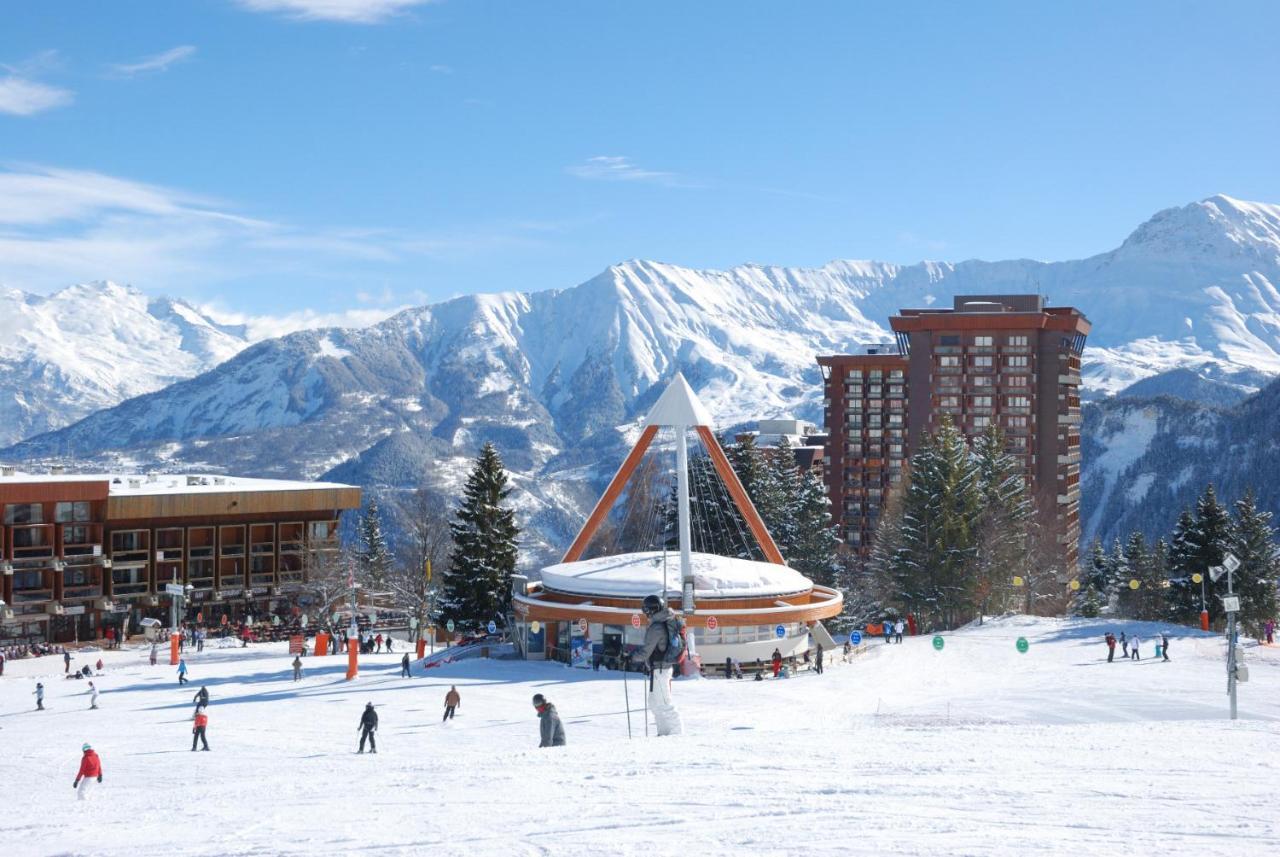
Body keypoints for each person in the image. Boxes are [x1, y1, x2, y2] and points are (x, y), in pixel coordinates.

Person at [633, 594, 684, 736]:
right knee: (654, 703)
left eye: (646, 610)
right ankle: (664, 732)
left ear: (652, 610)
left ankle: (676, 733)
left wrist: (631, 657)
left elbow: (645, 652)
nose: (645, 614)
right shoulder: (661, 622)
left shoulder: (657, 627)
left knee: (664, 703)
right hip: (658, 669)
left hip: (661, 669)